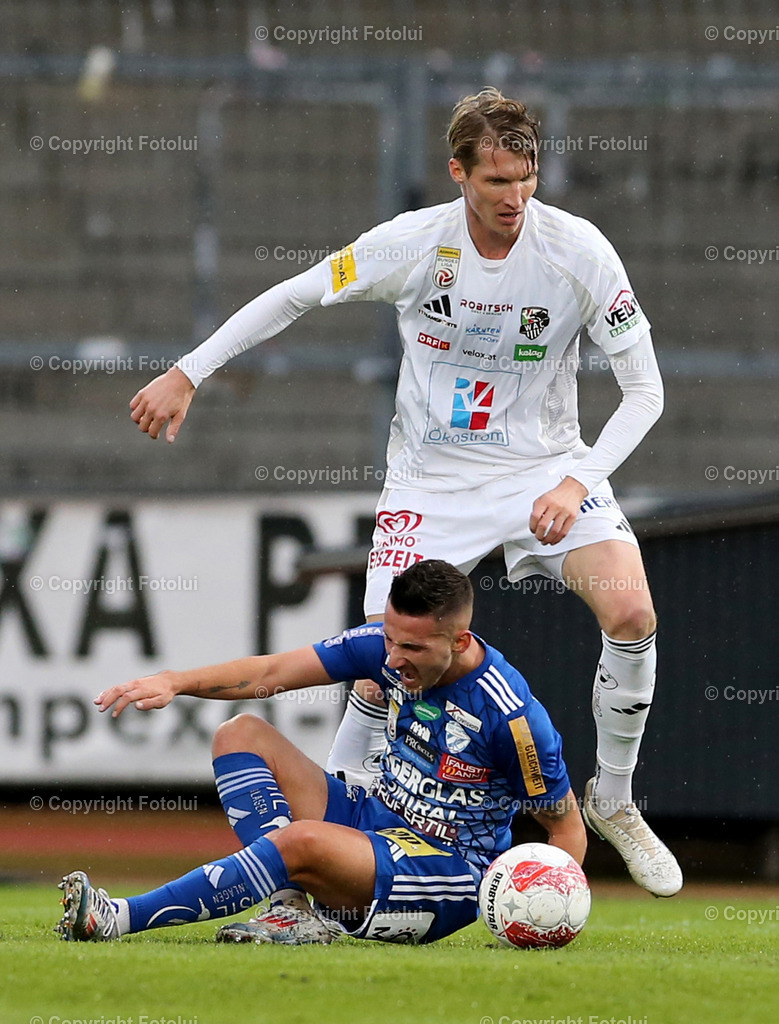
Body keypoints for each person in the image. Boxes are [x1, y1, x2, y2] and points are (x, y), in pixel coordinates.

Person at [127, 88, 681, 898]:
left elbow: (646, 393)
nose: (514, 200)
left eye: (525, 180)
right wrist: (187, 371)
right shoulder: (411, 244)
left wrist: (576, 480)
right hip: (433, 480)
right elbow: (295, 294)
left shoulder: (579, 251)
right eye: (495, 182)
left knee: (632, 613)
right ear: (457, 173)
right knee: (381, 665)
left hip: (544, 467)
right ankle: (328, 859)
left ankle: (615, 800)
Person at [56, 560, 585, 946]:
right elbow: (270, 674)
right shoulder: (384, 646)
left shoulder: (512, 719)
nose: (394, 659)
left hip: (446, 871)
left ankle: (118, 917)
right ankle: (291, 910)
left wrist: (550, 909)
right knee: (240, 735)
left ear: (461, 640)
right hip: (378, 821)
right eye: (392, 640)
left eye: (414, 649)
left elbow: (564, 827)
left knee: (301, 842)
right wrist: (175, 680)